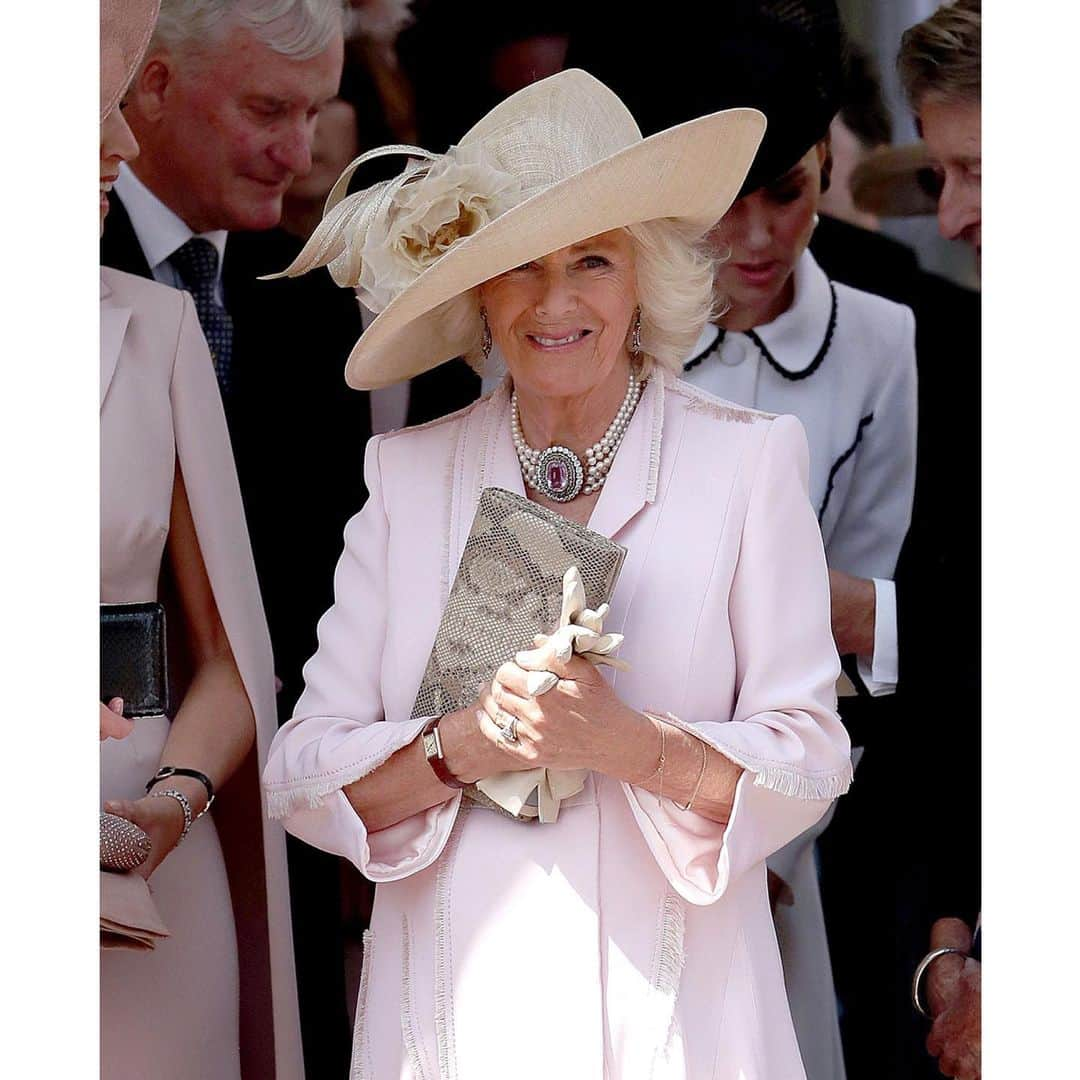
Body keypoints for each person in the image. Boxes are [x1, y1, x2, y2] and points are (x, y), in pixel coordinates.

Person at [263, 68, 853, 1078]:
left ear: (645, 279)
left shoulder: (749, 462)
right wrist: (463, 744)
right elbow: (301, 769)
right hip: (453, 1020)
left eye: (593, 261)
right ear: (481, 293)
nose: (557, 302)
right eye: (524, 267)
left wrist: (627, 744)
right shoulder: (407, 474)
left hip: (676, 1019)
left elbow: (810, 759)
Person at [566, 5, 915, 1077]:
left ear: (825, 166)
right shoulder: (578, 326)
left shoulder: (882, 339)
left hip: (772, 819)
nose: (759, 239)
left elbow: (857, 644)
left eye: (791, 195)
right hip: (578, 802)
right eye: (725, 208)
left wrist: (761, 830)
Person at [98, 4, 362, 1069]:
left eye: (314, 114)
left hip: (251, 824)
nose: (298, 152)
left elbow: (318, 591)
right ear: (149, 88)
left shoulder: (319, 300)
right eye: (267, 107)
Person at [896, 4, 982, 1076]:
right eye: (941, 176)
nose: (953, 216)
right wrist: (946, 952)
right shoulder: (970, 379)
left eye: (979, 171)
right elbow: (954, 678)